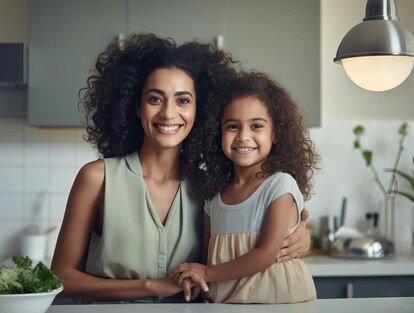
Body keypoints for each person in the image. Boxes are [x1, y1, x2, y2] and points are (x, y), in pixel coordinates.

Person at [50, 33, 311, 303]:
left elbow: (247, 235)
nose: (168, 113)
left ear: (199, 109)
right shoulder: (97, 177)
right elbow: (61, 277)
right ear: (137, 106)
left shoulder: (209, 189)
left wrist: (300, 236)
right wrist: (151, 286)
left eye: (183, 100)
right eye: (155, 99)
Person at [171, 71, 319, 303]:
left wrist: (207, 273)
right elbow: (207, 258)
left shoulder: (279, 185)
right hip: (228, 304)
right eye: (232, 127)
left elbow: (266, 255)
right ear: (218, 132)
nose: (243, 136)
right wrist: (199, 280)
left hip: (281, 303)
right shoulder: (213, 197)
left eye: (256, 126)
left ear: (276, 133)